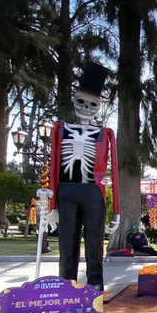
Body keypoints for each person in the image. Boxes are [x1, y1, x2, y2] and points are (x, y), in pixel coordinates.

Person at [44, 61, 120, 292]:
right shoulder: (61, 129)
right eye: (81, 101)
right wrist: (52, 205)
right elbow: (54, 166)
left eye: (93, 103)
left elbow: (114, 172)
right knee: (68, 242)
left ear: (98, 106)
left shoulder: (105, 133)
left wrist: (116, 210)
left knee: (95, 241)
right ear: (74, 100)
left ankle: (95, 281)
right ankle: (66, 283)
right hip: (66, 189)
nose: (86, 107)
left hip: (92, 191)